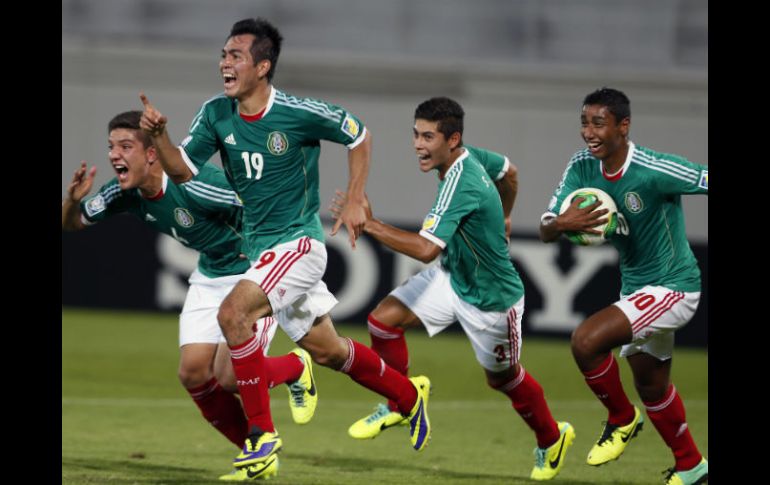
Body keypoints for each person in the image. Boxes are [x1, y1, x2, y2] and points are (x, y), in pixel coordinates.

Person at [138, 17, 431, 481]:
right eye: (223, 55)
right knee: (330, 352)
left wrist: (355, 198)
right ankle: (410, 397)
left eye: (235, 56)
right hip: (262, 253)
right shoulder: (216, 113)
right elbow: (181, 170)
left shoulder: (295, 112)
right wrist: (159, 138)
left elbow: (358, 132)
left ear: (263, 66)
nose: (224, 63)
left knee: (233, 315)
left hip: (298, 242)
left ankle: (262, 438)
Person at [334, 97, 575, 481]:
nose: (418, 144)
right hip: (453, 276)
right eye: (416, 134)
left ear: (453, 139)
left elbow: (426, 249)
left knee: (503, 379)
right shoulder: (472, 157)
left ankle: (551, 439)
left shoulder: (461, 181)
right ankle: (402, 402)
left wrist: (369, 223)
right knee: (382, 321)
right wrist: (507, 214)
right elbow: (510, 173)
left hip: (492, 300)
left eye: (428, 136)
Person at [61, 110, 319, 470]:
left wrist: (272, 249)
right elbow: (71, 223)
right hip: (211, 274)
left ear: (152, 153)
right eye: (110, 146)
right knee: (193, 373)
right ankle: (255, 451)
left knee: (229, 377)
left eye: (125, 145)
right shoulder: (121, 193)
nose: (114, 155)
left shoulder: (196, 182)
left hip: (250, 274)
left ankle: (294, 367)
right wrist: (72, 200)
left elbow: (258, 202)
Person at [538, 87, 708, 485]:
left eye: (599, 122)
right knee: (651, 384)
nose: (588, 132)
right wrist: (562, 224)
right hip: (636, 289)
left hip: (675, 287)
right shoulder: (581, 166)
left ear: (624, 126)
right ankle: (693, 467)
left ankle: (621, 419)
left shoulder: (653, 168)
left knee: (585, 341)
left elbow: (704, 177)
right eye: (584, 122)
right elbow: (547, 227)